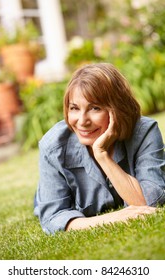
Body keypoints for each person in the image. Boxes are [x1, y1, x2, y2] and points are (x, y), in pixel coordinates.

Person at [34, 62, 165, 235]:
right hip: (47, 194)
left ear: (118, 109)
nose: (82, 121)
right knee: (41, 200)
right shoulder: (53, 146)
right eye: (74, 108)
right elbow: (53, 218)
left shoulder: (144, 132)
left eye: (95, 108)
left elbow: (148, 203)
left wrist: (102, 155)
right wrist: (117, 218)